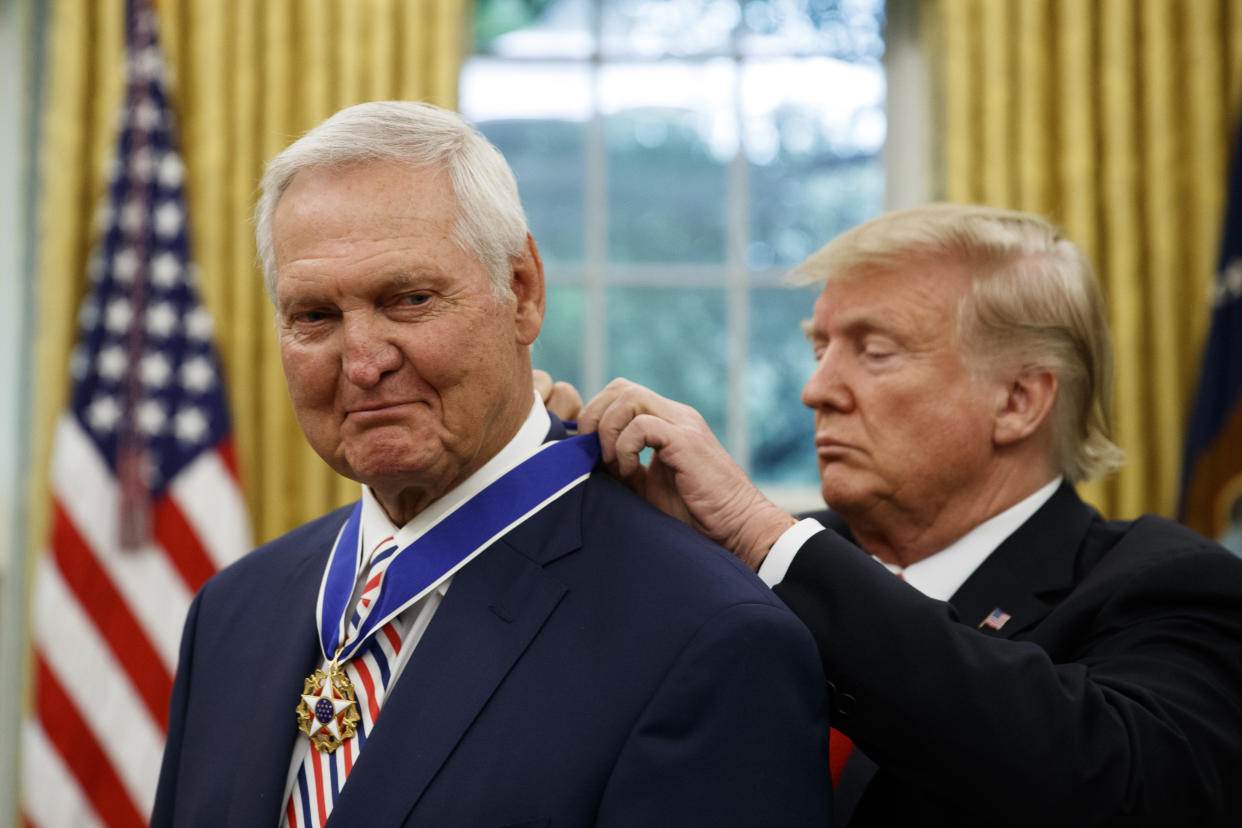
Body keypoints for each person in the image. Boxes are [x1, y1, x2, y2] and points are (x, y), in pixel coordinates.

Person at [150, 101, 831, 827]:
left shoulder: (708, 638)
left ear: (524, 293)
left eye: (408, 299)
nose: (362, 362)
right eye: (315, 316)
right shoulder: (232, 611)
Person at [563, 204, 1242, 827]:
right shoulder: (765, 564)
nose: (816, 390)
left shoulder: (1171, 584)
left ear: (1017, 401)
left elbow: (1111, 788)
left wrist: (757, 532)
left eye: (875, 351)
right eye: (819, 348)